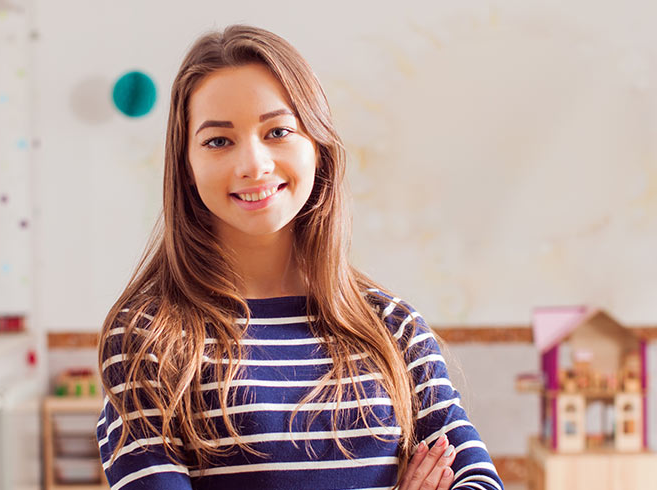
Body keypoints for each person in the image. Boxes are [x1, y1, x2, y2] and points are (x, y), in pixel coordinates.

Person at [96, 24, 504, 490]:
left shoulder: (393, 328)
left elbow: (478, 480)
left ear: (318, 148)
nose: (253, 163)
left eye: (278, 131)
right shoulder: (149, 338)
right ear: (186, 166)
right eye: (217, 141)